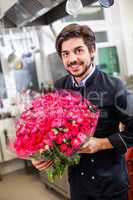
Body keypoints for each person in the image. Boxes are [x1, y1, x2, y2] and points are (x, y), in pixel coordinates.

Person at [32, 23, 133, 200]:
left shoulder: (114, 86)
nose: (71, 59)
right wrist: (43, 154)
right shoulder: (59, 87)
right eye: (65, 54)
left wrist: (101, 143)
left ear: (92, 50)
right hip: (79, 185)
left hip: (111, 185)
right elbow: (54, 131)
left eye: (78, 50)